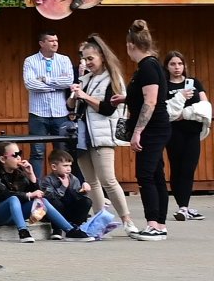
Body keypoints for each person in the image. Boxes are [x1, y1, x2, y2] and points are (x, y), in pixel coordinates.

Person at [67, 33, 136, 238]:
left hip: (102, 135)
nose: (87, 63)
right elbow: (71, 107)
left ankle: (127, 220)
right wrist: (74, 95)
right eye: (84, 59)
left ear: (102, 57)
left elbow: (108, 109)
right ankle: (100, 222)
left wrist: (85, 96)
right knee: (91, 182)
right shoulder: (85, 79)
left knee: (108, 179)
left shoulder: (112, 79)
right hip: (82, 135)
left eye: (91, 58)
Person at [124, 19, 171, 239]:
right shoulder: (150, 66)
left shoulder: (148, 67)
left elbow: (150, 101)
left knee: (145, 175)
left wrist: (137, 132)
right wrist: (124, 98)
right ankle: (160, 224)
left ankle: (153, 224)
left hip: (153, 129)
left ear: (131, 45)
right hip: (156, 127)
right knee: (156, 174)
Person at [0, 142, 86, 241]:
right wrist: (29, 195)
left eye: (20, 154)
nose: (19, 158)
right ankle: (23, 231)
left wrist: (31, 175)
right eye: (15, 155)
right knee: (13, 199)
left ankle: (70, 230)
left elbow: (38, 192)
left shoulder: (19, 172)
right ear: (3, 159)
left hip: (15, 215)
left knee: (43, 201)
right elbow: (3, 194)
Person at [22, 31, 75, 175]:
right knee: (37, 152)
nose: (55, 43)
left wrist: (45, 80)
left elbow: (68, 81)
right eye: (51, 41)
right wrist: (56, 86)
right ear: (42, 43)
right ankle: (36, 185)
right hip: (38, 113)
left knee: (62, 152)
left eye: (56, 40)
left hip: (60, 113)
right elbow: (30, 84)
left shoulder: (64, 60)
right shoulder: (30, 61)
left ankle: (63, 184)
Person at [163, 51, 207, 221]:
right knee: (176, 168)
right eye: (173, 64)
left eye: (180, 64)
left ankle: (184, 207)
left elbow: (205, 105)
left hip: (192, 132)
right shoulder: (165, 85)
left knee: (189, 168)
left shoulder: (194, 83)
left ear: (184, 65)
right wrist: (178, 109)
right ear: (167, 66)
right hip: (173, 133)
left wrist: (186, 113)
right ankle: (183, 206)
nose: (177, 67)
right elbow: (165, 110)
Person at [42, 149, 92, 229]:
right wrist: (63, 187)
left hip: (69, 210)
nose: (69, 169)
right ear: (54, 167)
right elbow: (50, 198)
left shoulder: (73, 179)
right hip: (55, 213)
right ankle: (57, 230)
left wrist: (83, 191)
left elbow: (77, 198)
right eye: (65, 166)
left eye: (70, 165)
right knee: (55, 203)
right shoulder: (47, 180)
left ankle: (77, 226)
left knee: (87, 201)